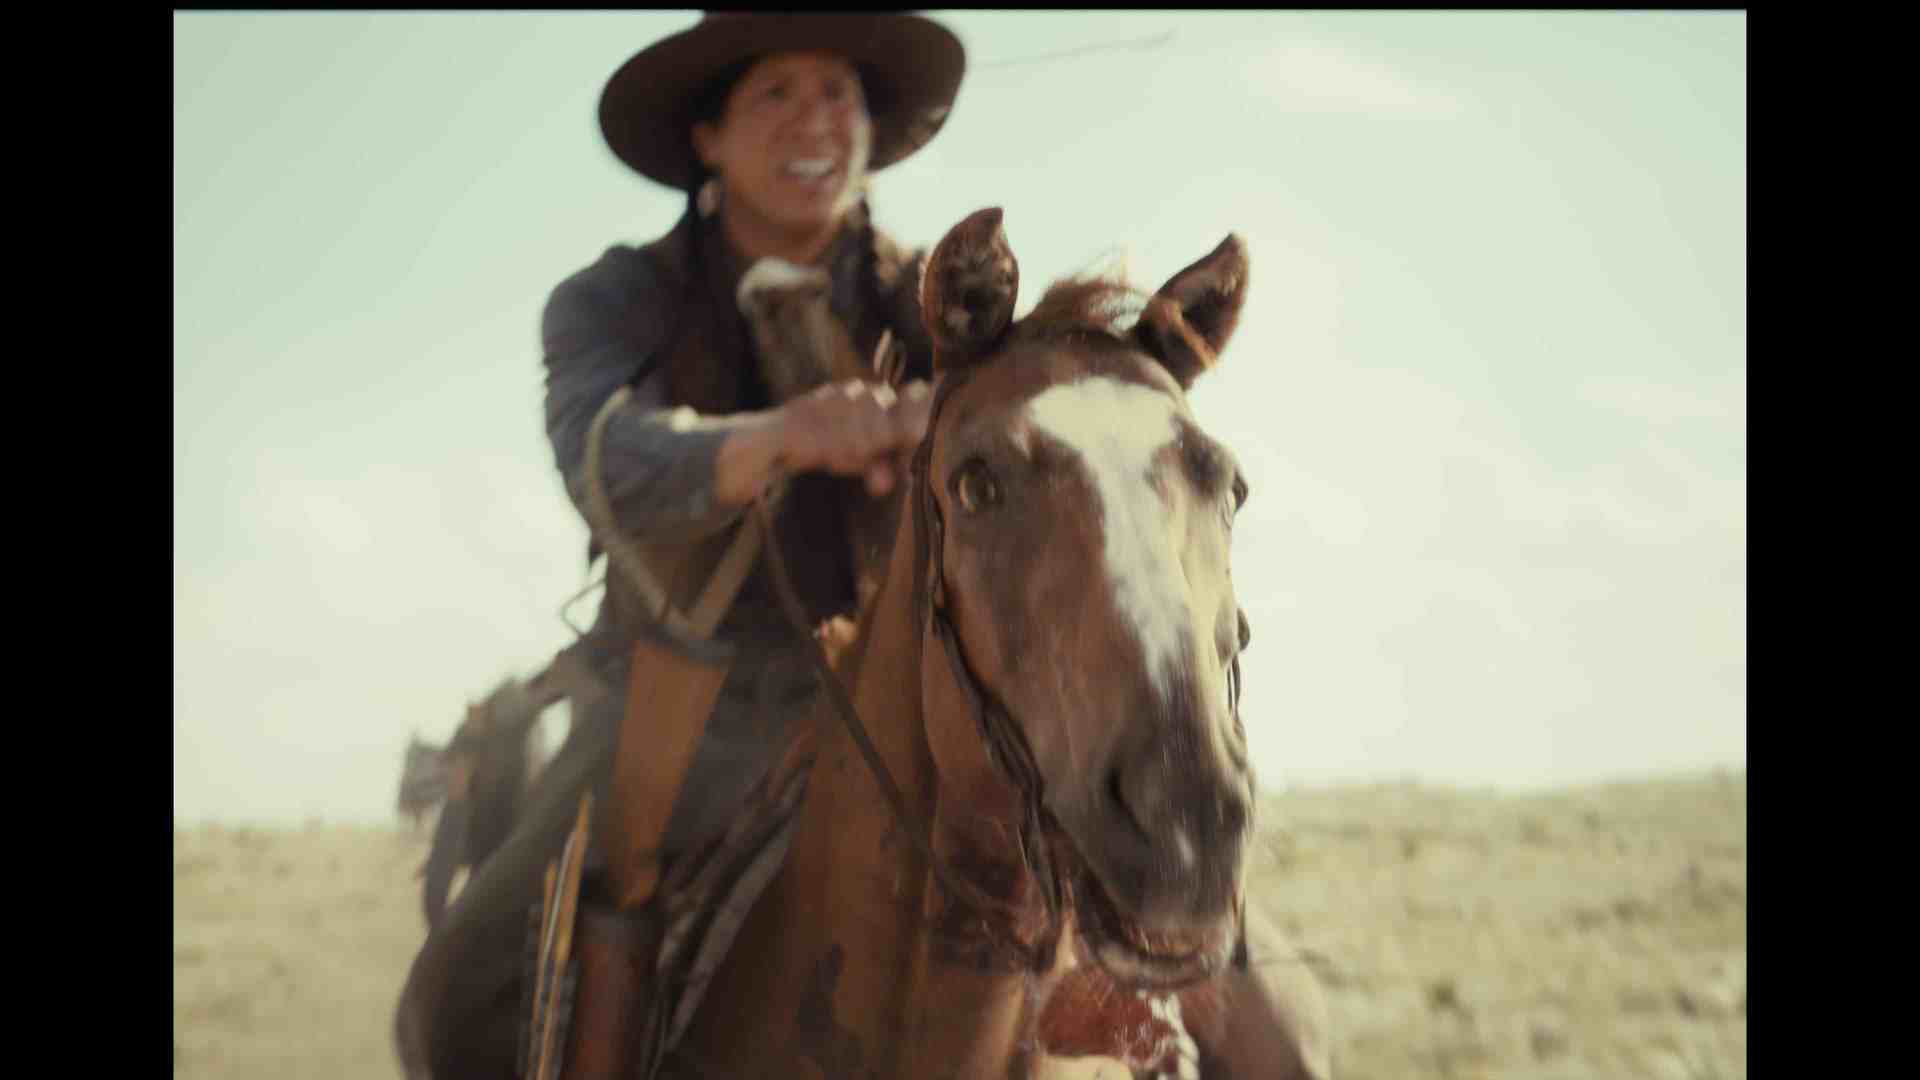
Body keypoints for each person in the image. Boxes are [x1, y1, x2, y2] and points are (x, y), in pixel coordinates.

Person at [392, 13, 967, 1079]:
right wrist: (787, 436)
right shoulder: (618, 297)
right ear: (708, 136)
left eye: (836, 91)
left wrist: (947, 421)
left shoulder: (934, 301)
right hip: (674, 706)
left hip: (909, 709)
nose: (815, 120)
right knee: (468, 993)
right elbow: (607, 464)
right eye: (776, 94)